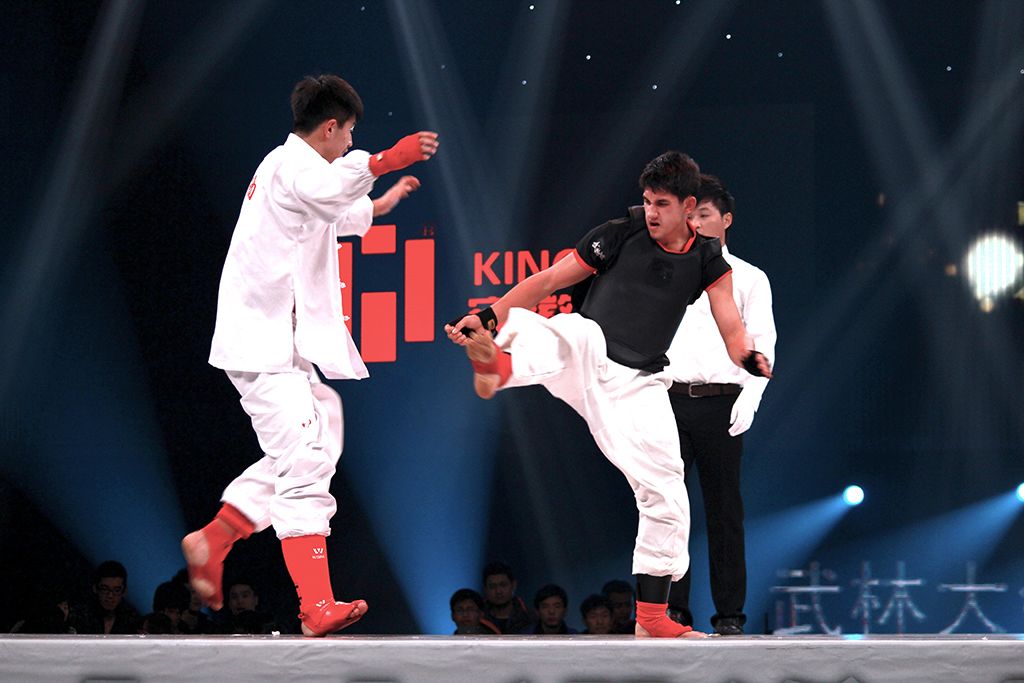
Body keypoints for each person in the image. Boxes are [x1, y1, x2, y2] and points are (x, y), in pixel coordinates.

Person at [446, 151, 772, 638]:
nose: (652, 212)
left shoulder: (709, 260)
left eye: (662, 204)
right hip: (592, 353)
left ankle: (653, 616)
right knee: (569, 334)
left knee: (667, 495)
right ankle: (500, 364)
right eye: (648, 201)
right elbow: (550, 279)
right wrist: (488, 317)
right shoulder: (621, 232)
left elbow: (731, 325)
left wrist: (747, 357)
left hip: (639, 384)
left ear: (689, 207)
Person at [182, 74, 439, 637]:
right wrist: (386, 160)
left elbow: (333, 210)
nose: (350, 144)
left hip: (282, 345)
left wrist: (382, 201)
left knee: (326, 423)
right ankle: (314, 605)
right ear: (329, 128)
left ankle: (218, 536)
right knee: (304, 463)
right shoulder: (292, 167)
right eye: (349, 134)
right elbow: (328, 192)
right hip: (263, 347)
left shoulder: (291, 173)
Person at [666, 174, 776, 636]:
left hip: (722, 402)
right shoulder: (666, 270)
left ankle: (729, 615)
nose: (694, 222)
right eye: (689, 215)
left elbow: (763, 341)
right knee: (667, 509)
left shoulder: (749, 277)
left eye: (704, 215)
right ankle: (670, 612)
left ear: (726, 220)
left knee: (724, 511)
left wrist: (751, 396)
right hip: (668, 399)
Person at [69, 560, 140, 635]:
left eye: (116, 590)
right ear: (95, 588)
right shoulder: (79, 616)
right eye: (104, 589)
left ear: (124, 591)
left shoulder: (131, 620)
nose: (110, 595)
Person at [481, 561, 532, 634]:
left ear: (513, 585)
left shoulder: (530, 618)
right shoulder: (477, 619)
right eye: (492, 586)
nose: (498, 591)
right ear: (485, 589)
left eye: (503, 585)